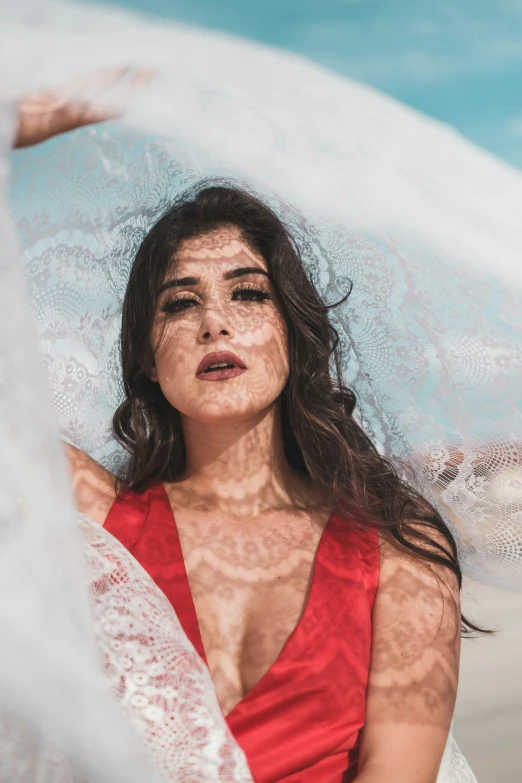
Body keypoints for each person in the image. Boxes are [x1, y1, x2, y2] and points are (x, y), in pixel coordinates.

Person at [13, 73, 490, 783]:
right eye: (180, 303)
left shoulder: (395, 544)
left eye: (248, 292)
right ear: (146, 356)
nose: (215, 320)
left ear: (292, 334)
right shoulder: (96, 515)